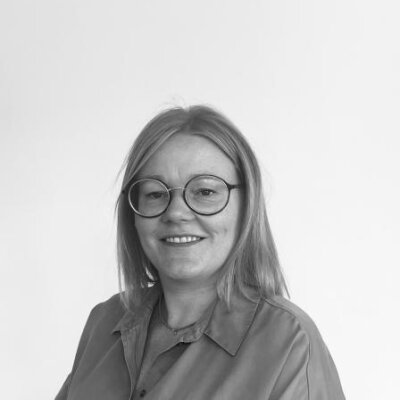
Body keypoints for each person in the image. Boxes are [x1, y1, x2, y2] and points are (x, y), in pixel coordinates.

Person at [55, 105, 345, 400]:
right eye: (155, 193)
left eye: (205, 192)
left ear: (247, 206)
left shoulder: (288, 341)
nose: (176, 213)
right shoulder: (103, 322)